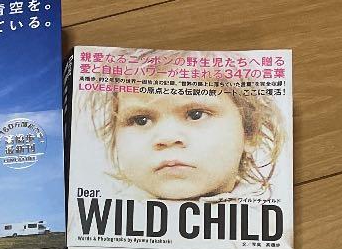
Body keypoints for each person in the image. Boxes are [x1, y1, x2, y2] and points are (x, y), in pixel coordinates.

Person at [86, 48, 284, 201]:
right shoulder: (92, 220)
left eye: (196, 115)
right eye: (141, 120)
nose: (167, 138)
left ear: (250, 132)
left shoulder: (275, 226)